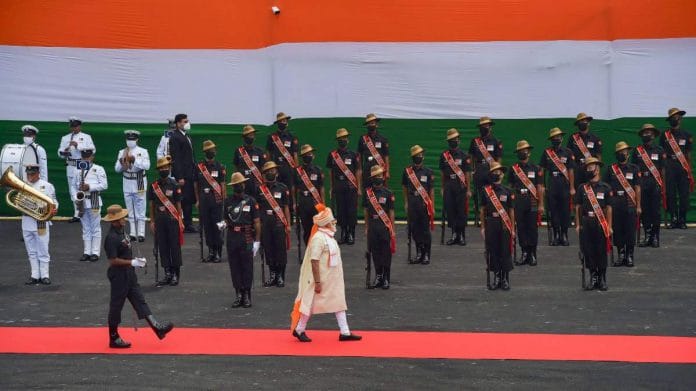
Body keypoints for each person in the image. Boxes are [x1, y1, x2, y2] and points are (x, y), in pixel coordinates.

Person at [103, 204, 173, 348]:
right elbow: (113, 260)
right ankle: (113, 337)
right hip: (119, 275)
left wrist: (136, 262)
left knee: (140, 301)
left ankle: (157, 327)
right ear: (114, 221)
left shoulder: (122, 232)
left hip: (129, 274)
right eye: (121, 217)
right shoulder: (111, 238)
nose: (124, 219)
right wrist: (132, 262)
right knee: (116, 306)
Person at [290, 204, 362, 342]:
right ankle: (299, 329)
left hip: (333, 279)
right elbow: (314, 261)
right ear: (326, 223)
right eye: (332, 221)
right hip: (321, 279)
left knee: (339, 302)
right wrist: (317, 282)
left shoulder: (329, 236)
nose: (334, 223)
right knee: (309, 304)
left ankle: (345, 332)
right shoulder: (318, 238)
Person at [222, 172, 261, 308]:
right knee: (235, 266)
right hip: (232, 236)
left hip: (247, 237)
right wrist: (222, 225)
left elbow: (256, 222)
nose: (239, 186)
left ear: (244, 185)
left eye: (241, 184)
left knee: (247, 266)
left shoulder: (251, 201)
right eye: (236, 184)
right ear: (233, 186)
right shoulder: (228, 201)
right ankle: (238, 294)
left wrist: (257, 241)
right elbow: (226, 219)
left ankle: (247, 295)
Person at [575, 157, 613, 291]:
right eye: (587, 167)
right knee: (589, 251)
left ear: (597, 168)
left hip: (600, 223)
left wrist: (609, 225)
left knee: (601, 251)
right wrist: (578, 225)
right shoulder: (582, 188)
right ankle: (593, 277)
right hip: (587, 222)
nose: (589, 169)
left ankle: (602, 277)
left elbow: (608, 208)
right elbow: (578, 207)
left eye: (591, 167)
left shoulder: (606, 187)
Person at [604, 142, 641, 267]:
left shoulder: (634, 169)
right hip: (615, 203)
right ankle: (621, 254)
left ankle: (629, 255)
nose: (622, 154)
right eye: (619, 152)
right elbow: (606, 187)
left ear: (628, 153)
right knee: (618, 230)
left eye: (624, 151)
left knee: (630, 230)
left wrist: (639, 205)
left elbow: (637, 188)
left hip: (630, 203)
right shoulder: (611, 169)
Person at [149, 156, 184, 286]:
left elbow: (179, 204)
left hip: (172, 219)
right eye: (161, 168)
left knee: (174, 247)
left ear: (169, 168)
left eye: (166, 167)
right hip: (160, 220)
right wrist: (152, 221)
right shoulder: (154, 186)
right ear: (158, 170)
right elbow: (151, 205)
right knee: (162, 247)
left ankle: (175, 273)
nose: (164, 169)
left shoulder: (174, 184)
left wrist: (180, 219)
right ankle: (167, 272)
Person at [480, 162, 515, 290]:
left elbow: (511, 211)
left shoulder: (508, 191)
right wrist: (483, 228)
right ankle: (497, 276)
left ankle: (505, 278)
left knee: (505, 251)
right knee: (492, 251)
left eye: (498, 171)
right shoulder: (485, 191)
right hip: (491, 224)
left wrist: (512, 228)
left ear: (502, 174)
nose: (496, 174)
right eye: (494, 172)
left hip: (504, 225)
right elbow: (483, 210)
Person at [21, 164, 58, 285]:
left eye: (32, 174)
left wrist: (54, 208)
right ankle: (34, 275)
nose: (30, 176)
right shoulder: (23, 185)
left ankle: (45, 275)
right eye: (28, 174)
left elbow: (54, 202)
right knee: (31, 251)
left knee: (43, 249)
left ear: (38, 173)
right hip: (27, 221)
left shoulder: (47, 186)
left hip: (40, 222)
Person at [508, 140, 544, 266]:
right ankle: (524, 252)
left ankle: (532, 254)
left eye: (525, 150)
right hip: (518, 200)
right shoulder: (513, 169)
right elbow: (510, 187)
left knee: (532, 228)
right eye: (520, 151)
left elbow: (539, 187)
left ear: (529, 152)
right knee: (521, 228)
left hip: (532, 200)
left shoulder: (536, 168)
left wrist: (541, 204)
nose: (523, 152)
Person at [257, 161, 291, 287]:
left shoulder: (283, 188)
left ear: (276, 172)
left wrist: (287, 224)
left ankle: (280, 276)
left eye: (273, 170)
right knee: (269, 250)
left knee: (280, 250)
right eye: (268, 171)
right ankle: (272, 275)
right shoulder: (260, 189)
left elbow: (286, 207)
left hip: (279, 223)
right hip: (265, 224)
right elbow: (257, 208)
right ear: (265, 174)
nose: (271, 172)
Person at [540, 127, 576, 246]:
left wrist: (572, 187)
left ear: (562, 138)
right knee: (553, 211)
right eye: (555, 137)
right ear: (551, 139)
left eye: (559, 137)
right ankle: (556, 234)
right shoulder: (547, 152)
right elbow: (542, 171)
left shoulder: (568, 152)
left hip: (564, 184)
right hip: (552, 183)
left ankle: (564, 234)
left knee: (565, 211)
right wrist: (543, 187)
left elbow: (570, 171)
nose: (557, 139)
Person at [632, 124, 666, 248]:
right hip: (642, 183)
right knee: (645, 211)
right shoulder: (637, 151)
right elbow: (634, 169)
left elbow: (662, 170)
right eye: (644, 133)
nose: (647, 135)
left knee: (655, 212)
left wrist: (663, 186)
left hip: (655, 183)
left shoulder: (659, 150)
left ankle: (655, 236)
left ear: (653, 135)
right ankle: (647, 235)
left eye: (649, 132)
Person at [326, 128, 361, 245]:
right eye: (340, 139)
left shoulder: (354, 155)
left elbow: (358, 171)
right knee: (341, 211)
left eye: (344, 138)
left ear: (348, 140)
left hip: (351, 185)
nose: (343, 140)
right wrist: (331, 187)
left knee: (351, 211)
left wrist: (359, 187)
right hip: (339, 185)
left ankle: (351, 233)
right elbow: (330, 172)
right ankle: (343, 233)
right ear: (337, 140)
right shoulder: (332, 155)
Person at [73, 147, 108, 262]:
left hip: (94, 200)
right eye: (84, 157)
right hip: (82, 201)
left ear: (92, 157)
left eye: (88, 157)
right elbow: (73, 186)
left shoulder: (98, 169)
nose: (86, 159)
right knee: (85, 228)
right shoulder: (77, 169)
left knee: (95, 227)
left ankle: (95, 252)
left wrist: (90, 187)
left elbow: (104, 185)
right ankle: (86, 252)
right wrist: (76, 197)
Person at [115, 130, 150, 242]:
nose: (130, 142)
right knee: (130, 209)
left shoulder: (143, 151)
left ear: (137, 140)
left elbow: (147, 166)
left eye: (132, 139)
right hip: (127, 181)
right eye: (128, 139)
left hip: (139, 180)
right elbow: (116, 169)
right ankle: (133, 233)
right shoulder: (122, 152)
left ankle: (141, 233)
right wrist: (121, 163)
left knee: (140, 208)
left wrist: (135, 161)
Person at [58, 117, 95, 222]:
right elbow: (59, 151)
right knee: (73, 189)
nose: (74, 128)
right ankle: (77, 213)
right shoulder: (65, 138)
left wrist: (78, 145)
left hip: (82, 163)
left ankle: (88, 212)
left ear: (79, 126)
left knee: (84, 187)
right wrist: (63, 152)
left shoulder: (86, 137)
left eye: (75, 126)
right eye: (72, 127)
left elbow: (93, 150)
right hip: (70, 164)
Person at [363, 165, 395, 289]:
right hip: (373, 226)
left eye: (380, 176)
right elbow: (366, 212)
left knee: (386, 253)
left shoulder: (388, 193)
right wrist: (366, 227)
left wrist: (392, 228)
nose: (378, 178)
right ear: (372, 178)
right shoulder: (368, 193)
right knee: (375, 252)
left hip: (384, 226)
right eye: (376, 176)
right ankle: (378, 276)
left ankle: (386, 277)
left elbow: (391, 212)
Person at [661, 108, 693, 229]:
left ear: (680, 118)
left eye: (676, 116)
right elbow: (662, 154)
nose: (675, 119)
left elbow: (689, 154)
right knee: (670, 193)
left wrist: (688, 170)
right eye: (672, 117)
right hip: (669, 165)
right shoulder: (665, 135)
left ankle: (682, 219)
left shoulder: (687, 135)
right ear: (670, 120)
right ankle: (673, 218)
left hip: (682, 166)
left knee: (684, 194)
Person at [402, 145, 435, 264]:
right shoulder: (407, 172)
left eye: (421, 155)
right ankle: (419, 252)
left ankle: (426, 254)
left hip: (424, 204)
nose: (419, 157)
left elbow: (431, 190)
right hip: (413, 203)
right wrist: (406, 202)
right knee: (414, 230)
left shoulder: (428, 172)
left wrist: (432, 206)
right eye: (417, 155)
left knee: (425, 230)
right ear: (413, 157)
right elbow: (404, 187)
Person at [195, 140, 227, 262]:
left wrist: (224, 200)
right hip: (204, 200)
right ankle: (211, 251)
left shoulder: (220, 167)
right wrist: (197, 200)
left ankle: (218, 252)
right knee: (207, 227)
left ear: (215, 151)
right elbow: (195, 185)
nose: (211, 152)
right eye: (208, 150)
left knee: (217, 227)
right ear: (205, 152)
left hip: (216, 201)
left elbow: (223, 185)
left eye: (212, 150)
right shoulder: (199, 167)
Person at [439, 128, 472, 245]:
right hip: (448, 186)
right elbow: (442, 173)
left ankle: (461, 235)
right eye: (452, 139)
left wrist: (468, 189)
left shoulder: (464, 155)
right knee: (451, 211)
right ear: (448, 141)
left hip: (461, 186)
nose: (454, 141)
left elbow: (467, 173)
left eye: (456, 139)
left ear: (459, 140)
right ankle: (454, 234)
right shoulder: (444, 155)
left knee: (461, 211)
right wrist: (442, 188)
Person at [468, 116, 503, 227]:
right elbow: (471, 157)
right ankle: (478, 218)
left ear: (490, 127)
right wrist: (473, 170)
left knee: (491, 194)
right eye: (483, 126)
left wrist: (498, 172)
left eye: (487, 126)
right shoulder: (475, 141)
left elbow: (498, 159)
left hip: (491, 171)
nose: (485, 128)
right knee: (478, 195)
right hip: (479, 169)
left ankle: (491, 215)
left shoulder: (496, 141)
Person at [168, 113, 198, 233]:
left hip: (190, 173)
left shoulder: (186, 136)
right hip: (183, 175)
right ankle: (184, 223)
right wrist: (179, 176)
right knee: (183, 199)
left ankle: (188, 223)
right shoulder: (175, 137)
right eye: (185, 121)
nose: (187, 123)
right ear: (178, 123)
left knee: (189, 199)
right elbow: (176, 158)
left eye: (187, 121)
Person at [266, 112, 299, 219]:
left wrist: (296, 169)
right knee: (276, 189)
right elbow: (269, 154)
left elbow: (294, 154)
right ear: (278, 123)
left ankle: (291, 211)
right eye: (281, 121)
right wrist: (270, 168)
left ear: (287, 123)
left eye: (285, 121)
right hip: (276, 168)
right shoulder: (272, 137)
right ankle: (277, 212)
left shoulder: (291, 136)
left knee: (290, 189)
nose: (283, 122)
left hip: (289, 168)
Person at [295, 144, 324, 245]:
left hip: (315, 202)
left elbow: (321, 188)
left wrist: (322, 204)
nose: (308, 156)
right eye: (306, 155)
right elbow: (294, 188)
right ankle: (309, 250)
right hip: (303, 201)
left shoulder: (318, 170)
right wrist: (295, 203)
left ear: (313, 155)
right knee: (306, 229)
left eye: (310, 154)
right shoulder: (298, 171)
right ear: (302, 157)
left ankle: (317, 251)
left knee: (317, 229)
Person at [567, 112, 603, 190]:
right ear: (578, 124)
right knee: (579, 193)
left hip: (591, 170)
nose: (583, 123)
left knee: (592, 193)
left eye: (584, 121)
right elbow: (569, 156)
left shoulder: (595, 138)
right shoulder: (572, 138)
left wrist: (598, 172)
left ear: (588, 123)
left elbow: (599, 156)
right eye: (580, 121)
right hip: (577, 170)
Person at [358, 113, 390, 190]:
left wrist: (387, 171)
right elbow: (359, 156)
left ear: (376, 124)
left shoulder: (383, 139)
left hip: (380, 171)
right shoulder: (362, 139)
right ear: (367, 125)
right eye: (369, 123)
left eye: (373, 122)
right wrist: (360, 170)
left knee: (382, 194)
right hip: (367, 171)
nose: (371, 124)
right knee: (368, 193)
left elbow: (386, 156)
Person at [233, 125, 267, 197]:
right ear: (244, 137)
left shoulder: (259, 151)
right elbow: (235, 168)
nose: (252, 137)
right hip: (243, 184)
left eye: (253, 135)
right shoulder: (238, 151)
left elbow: (263, 170)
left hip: (256, 183)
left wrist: (264, 184)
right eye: (249, 135)